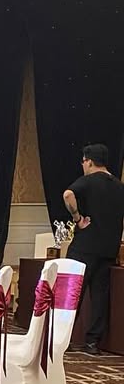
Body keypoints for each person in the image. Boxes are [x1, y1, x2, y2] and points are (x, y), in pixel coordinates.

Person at [63, 143, 124, 354]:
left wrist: (77, 218)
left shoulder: (88, 181)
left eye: (83, 162)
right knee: (100, 297)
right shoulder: (119, 186)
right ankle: (92, 342)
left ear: (89, 161)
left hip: (84, 247)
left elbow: (68, 195)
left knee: (73, 293)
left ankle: (63, 338)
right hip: (108, 248)